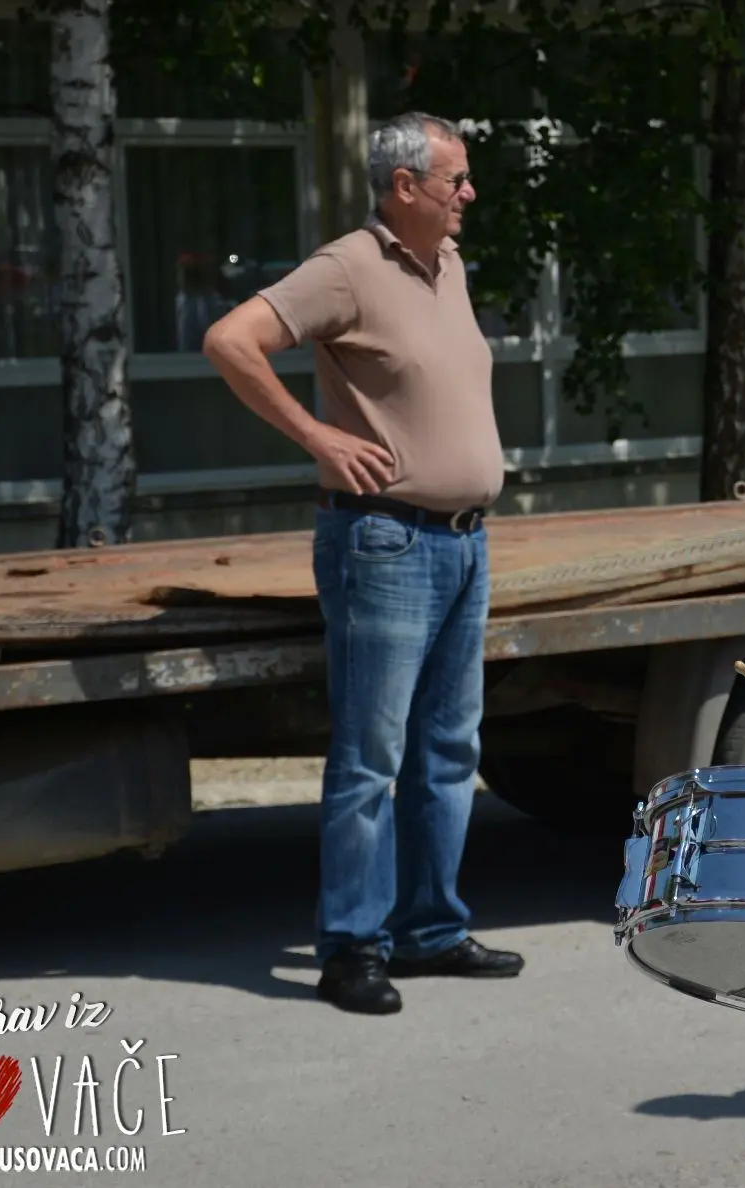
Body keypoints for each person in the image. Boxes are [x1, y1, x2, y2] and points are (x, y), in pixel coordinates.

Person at [203, 111, 524, 1015]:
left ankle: (430, 929)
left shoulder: (448, 264)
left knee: (448, 751)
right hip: (385, 542)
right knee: (370, 758)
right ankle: (351, 948)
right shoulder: (348, 267)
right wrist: (317, 436)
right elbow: (230, 340)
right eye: (455, 179)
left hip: (463, 541)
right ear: (404, 186)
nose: (469, 194)